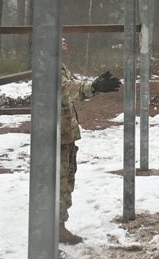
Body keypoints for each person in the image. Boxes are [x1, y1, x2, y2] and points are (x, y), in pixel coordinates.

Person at [59, 38, 121, 244]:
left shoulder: (60, 65)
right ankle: (51, 230)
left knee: (66, 180)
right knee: (58, 183)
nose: (64, 40)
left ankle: (58, 227)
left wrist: (94, 86)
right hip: (54, 136)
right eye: (59, 38)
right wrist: (93, 86)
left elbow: (75, 88)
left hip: (65, 134)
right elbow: (67, 89)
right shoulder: (49, 65)